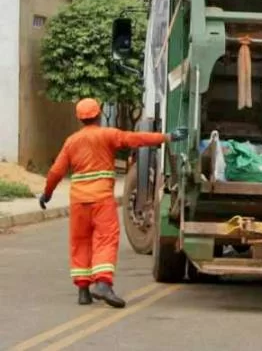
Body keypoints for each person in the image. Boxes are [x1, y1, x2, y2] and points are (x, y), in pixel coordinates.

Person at [39, 98, 188, 309]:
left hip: (79, 202)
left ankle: (83, 290)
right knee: (106, 239)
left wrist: (47, 194)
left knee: (80, 241)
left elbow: (56, 171)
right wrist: (167, 137)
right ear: (99, 115)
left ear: (79, 118)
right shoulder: (107, 135)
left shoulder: (71, 141)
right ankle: (103, 284)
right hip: (101, 199)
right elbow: (136, 139)